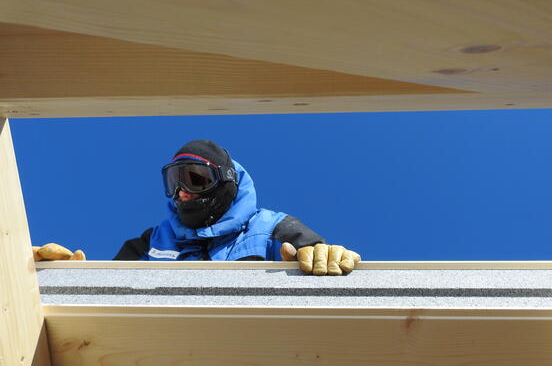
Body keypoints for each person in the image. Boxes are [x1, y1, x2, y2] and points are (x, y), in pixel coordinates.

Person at [35, 140, 360, 276]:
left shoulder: (272, 228)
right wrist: (52, 278)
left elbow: (319, 260)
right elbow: (105, 302)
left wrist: (325, 257)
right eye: (173, 183)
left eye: (195, 179)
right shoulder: (150, 243)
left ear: (225, 181)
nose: (182, 193)